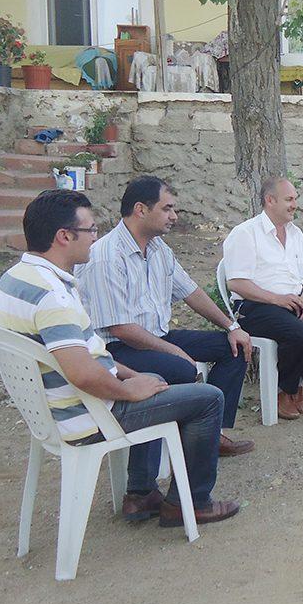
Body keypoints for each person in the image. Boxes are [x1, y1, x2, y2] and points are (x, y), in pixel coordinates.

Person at [0, 189, 239, 526]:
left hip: (58, 411)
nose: (96, 237)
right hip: (90, 414)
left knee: (163, 378)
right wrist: (127, 389)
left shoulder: (17, 279)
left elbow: (88, 350)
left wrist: (129, 375)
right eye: (91, 230)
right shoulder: (53, 297)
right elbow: (83, 373)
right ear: (64, 236)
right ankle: (188, 504)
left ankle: (144, 491)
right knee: (207, 399)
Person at [78, 175, 255, 465]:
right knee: (181, 368)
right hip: (119, 350)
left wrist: (232, 327)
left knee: (234, 348)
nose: (174, 216)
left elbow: (191, 291)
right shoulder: (107, 256)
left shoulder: (159, 249)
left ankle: (210, 435)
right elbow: (120, 328)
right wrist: (175, 352)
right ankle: (151, 474)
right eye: (167, 208)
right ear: (141, 210)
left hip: (155, 337)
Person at [222, 176, 303, 421]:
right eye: (289, 199)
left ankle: (297, 384)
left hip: (293, 302)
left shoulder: (295, 233)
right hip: (255, 305)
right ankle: (284, 392)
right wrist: (276, 299)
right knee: (299, 333)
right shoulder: (245, 233)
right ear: (270, 200)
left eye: (295, 199)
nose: (294, 204)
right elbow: (236, 283)